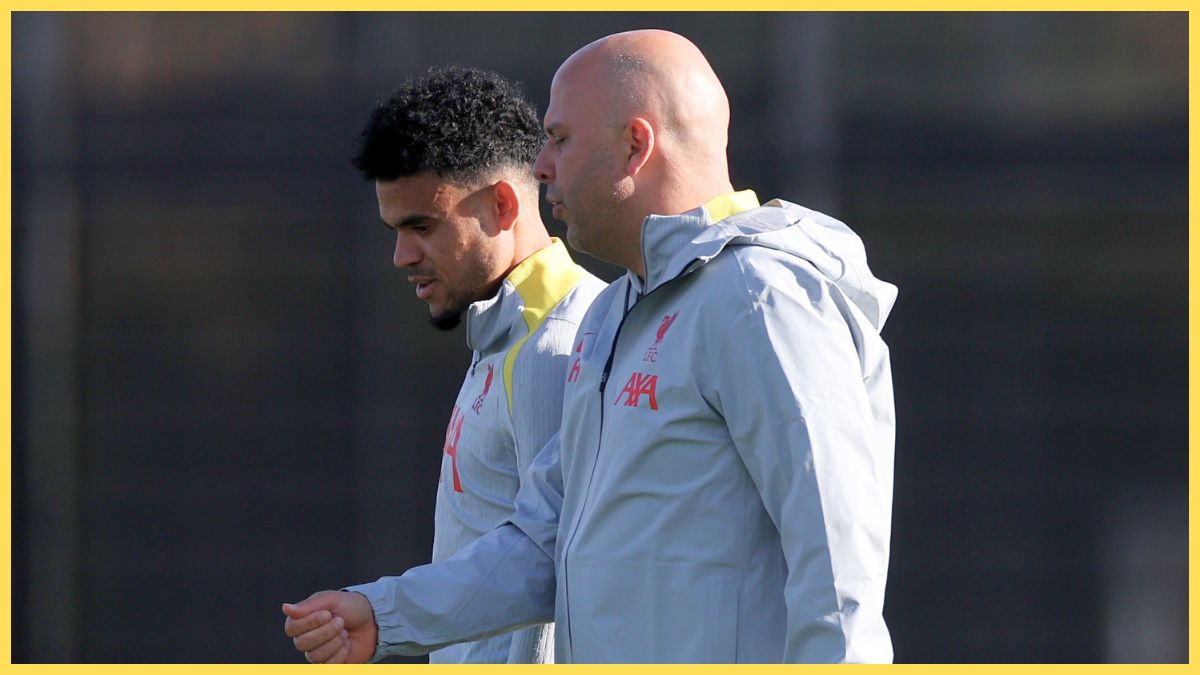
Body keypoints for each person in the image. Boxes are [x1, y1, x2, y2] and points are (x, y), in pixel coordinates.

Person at [283, 30, 897, 663]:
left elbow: (836, 555)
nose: (540, 167)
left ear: (635, 146)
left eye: (560, 140)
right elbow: (543, 541)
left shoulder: (761, 296)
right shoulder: (612, 316)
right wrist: (385, 614)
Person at [280, 65, 604, 664]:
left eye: (422, 227)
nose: (402, 256)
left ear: (502, 204)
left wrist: (384, 614)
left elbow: (554, 570)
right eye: (395, 230)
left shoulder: (557, 345)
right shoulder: (506, 330)